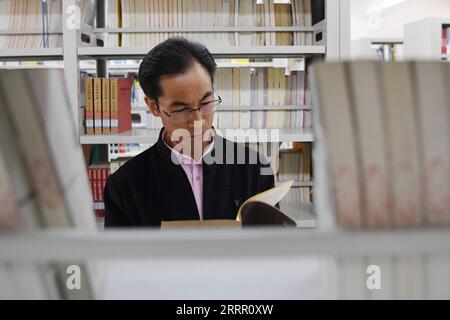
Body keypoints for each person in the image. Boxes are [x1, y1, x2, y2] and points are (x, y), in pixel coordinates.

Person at [104, 37, 275, 227]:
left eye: (205, 103)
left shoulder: (255, 169)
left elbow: (273, 247)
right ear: (153, 106)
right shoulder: (124, 185)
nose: (198, 121)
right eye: (181, 109)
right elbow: (120, 256)